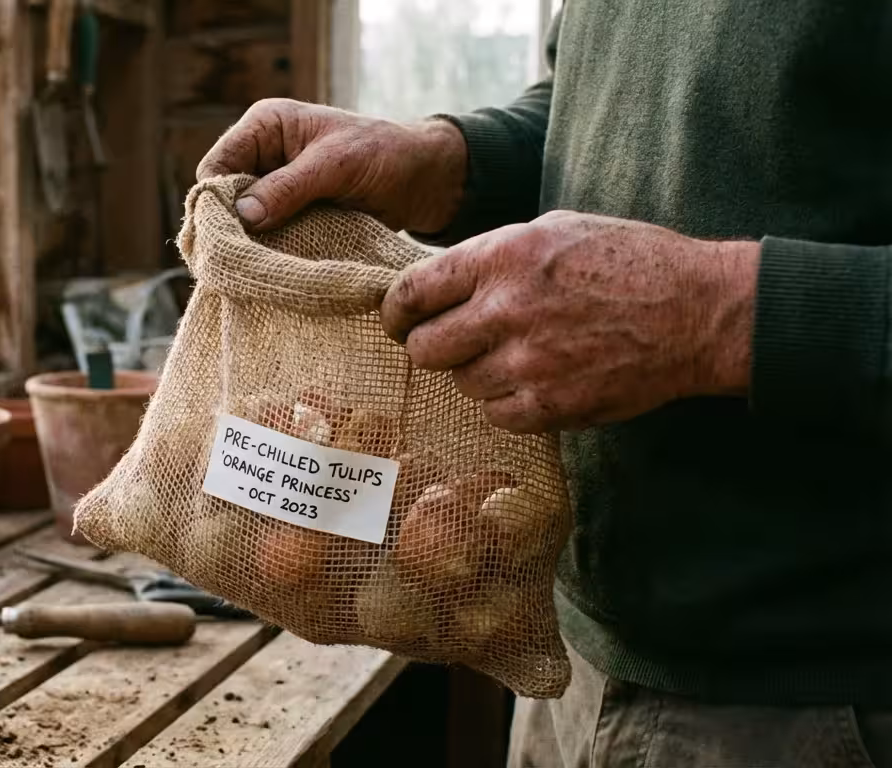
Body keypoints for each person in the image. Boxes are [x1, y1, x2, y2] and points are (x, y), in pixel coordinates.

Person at [197, 2, 892, 766]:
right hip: (577, 662)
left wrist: (715, 311)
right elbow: (590, 108)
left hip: (825, 700)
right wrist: (448, 162)